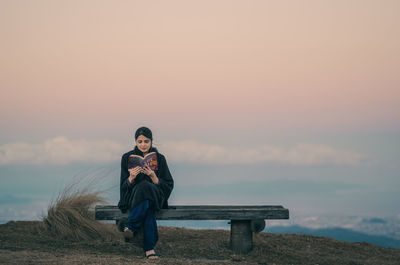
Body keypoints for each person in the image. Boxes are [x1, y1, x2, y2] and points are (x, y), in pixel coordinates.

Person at [118, 127, 174, 259]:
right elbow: (123, 185)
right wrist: (131, 178)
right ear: (136, 142)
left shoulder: (160, 158)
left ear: (151, 141)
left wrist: (154, 177)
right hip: (135, 197)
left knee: (146, 188)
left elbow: (168, 184)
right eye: (140, 141)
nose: (143, 145)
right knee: (148, 206)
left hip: (156, 195)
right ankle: (149, 249)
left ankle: (130, 227)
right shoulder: (127, 158)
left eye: (146, 141)